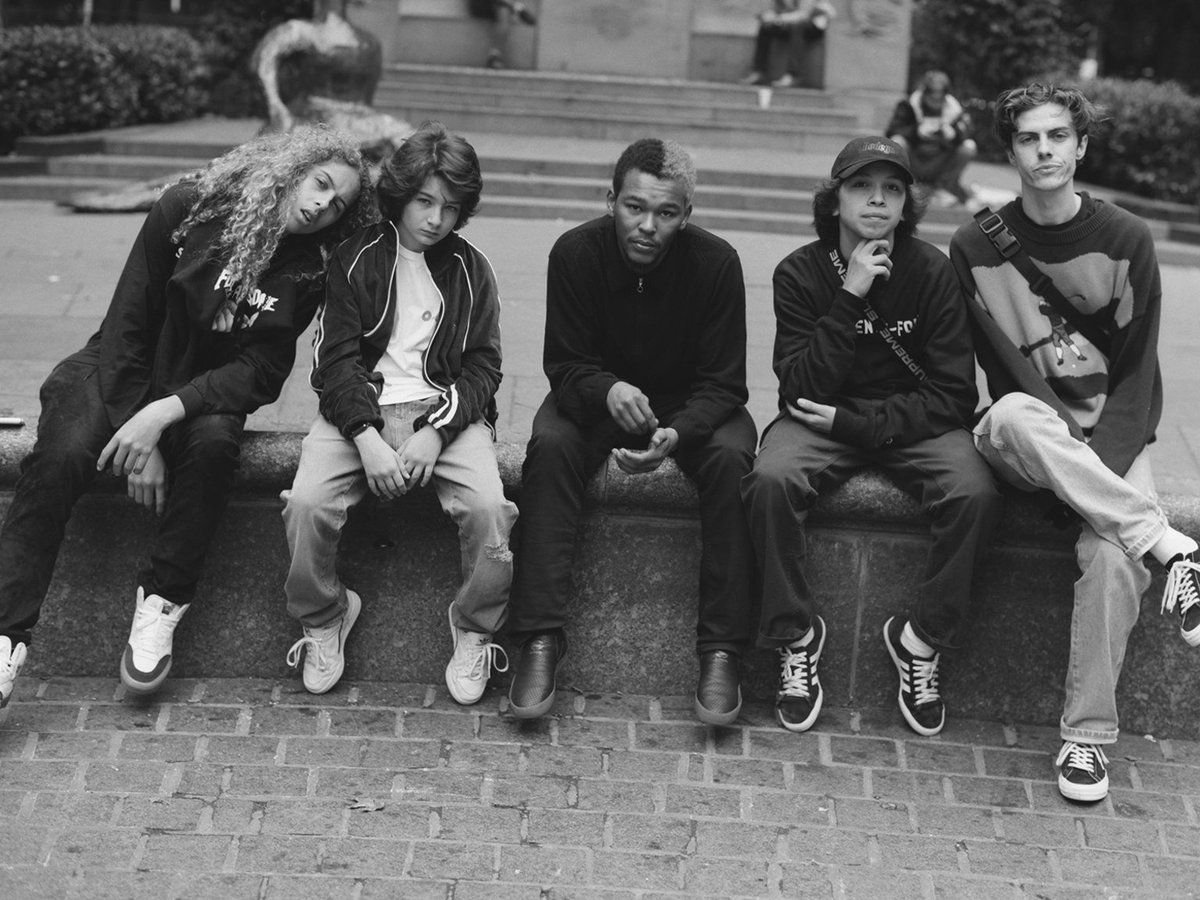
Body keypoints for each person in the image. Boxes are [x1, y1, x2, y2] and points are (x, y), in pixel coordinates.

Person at [0, 127, 371, 713]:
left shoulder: (308, 269)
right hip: (119, 367)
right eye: (320, 183)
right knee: (63, 455)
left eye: (338, 205)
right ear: (292, 168)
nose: (322, 205)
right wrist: (141, 436)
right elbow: (129, 323)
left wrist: (165, 413)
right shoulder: (188, 207)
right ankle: (6, 637)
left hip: (201, 392)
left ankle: (161, 605)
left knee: (215, 446)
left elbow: (261, 370)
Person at [948, 82, 1200, 803]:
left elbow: (1137, 376)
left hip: (1110, 440)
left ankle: (1086, 741)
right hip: (1029, 437)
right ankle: (1168, 544)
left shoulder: (1125, 239)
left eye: (1058, 135)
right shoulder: (974, 246)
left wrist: (1093, 472)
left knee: (1114, 559)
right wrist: (1073, 462)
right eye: (1028, 138)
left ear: (1081, 146)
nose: (1045, 150)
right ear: (1010, 153)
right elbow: (1000, 367)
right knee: (1012, 414)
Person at [741, 136, 1002, 736]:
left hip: (912, 421)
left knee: (976, 494)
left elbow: (954, 395)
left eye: (892, 189)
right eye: (862, 186)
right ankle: (796, 635)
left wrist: (861, 426)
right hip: (818, 418)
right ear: (835, 200)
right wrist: (850, 293)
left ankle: (921, 640)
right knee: (770, 480)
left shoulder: (932, 271)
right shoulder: (799, 272)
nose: (877, 200)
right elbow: (799, 388)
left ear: (907, 204)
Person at [507, 138, 758, 726]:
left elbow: (725, 383)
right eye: (634, 207)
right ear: (611, 200)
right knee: (551, 446)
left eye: (666, 213)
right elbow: (565, 364)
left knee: (733, 459)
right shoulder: (575, 253)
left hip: (692, 404)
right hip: (598, 399)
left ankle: (722, 651)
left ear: (686, 215)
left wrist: (681, 432)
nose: (648, 226)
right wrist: (608, 390)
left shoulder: (717, 263)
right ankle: (539, 639)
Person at [281, 121, 518, 705]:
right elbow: (333, 362)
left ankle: (474, 628)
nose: (436, 218)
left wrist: (436, 432)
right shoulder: (354, 257)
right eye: (424, 201)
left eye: (451, 207)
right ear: (402, 194)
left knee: (489, 510)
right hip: (357, 410)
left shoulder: (472, 268)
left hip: (444, 412)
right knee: (307, 503)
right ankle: (325, 616)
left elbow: (484, 368)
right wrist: (365, 436)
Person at [886, 70, 978, 208]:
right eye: (932, 98)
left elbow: (968, 134)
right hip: (914, 160)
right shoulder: (908, 105)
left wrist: (954, 134)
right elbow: (892, 131)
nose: (935, 102)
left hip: (940, 162)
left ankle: (943, 189)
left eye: (939, 98)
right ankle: (907, 186)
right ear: (924, 94)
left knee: (969, 147)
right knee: (897, 141)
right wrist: (916, 131)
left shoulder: (954, 109)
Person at [740, 0, 834, 88]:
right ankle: (759, 72)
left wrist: (779, 18)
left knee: (798, 27)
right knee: (766, 26)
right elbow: (778, 10)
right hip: (790, 22)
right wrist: (768, 16)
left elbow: (804, 14)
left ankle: (792, 75)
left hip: (814, 25)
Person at [468, 0, 538, 70]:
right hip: (479, 4)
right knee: (503, 7)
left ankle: (494, 56)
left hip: (499, 5)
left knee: (504, 11)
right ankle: (517, 8)